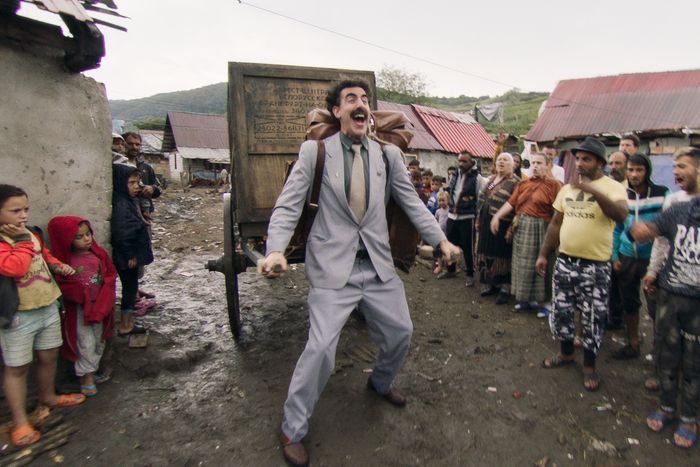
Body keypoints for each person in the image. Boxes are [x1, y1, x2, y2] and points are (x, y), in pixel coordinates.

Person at [261, 80, 460, 467]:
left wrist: (441, 241)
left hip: (376, 264)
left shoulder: (388, 155)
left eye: (365, 100)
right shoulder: (316, 152)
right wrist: (275, 250)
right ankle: (292, 428)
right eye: (351, 99)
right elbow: (288, 205)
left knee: (401, 332)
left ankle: (380, 382)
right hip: (332, 268)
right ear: (337, 111)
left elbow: (412, 203)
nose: (361, 104)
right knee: (321, 349)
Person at [536, 137, 628, 392]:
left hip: (596, 266)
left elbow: (621, 215)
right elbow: (556, 223)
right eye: (577, 159)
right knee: (562, 312)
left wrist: (593, 191)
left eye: (586, 159)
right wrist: (543, 254)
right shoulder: (567, 189)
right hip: (565, 261)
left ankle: (589, 365)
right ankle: (566, 353)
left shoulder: (613, 187)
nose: (579, 163)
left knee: (593, 317)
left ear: (600, 163)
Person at [0, 185, 86, 447]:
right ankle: (20, 421)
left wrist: (57, 265)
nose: (23, 215)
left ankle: (48, 397)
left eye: (25, 209)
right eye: (15, 211)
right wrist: (22, 242)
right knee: (17, 368)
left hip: (47, 305)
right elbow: (15, 268)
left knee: (49, 356)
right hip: (19, 315)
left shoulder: (31, 233)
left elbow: (43, 255)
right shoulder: (7, 241)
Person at [630, 192, 700, 448]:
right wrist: (640, 230)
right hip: (671, 297)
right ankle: (667, 407)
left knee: (694, 362)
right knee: (667, 356)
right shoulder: (680, 210)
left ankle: (689, 418)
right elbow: (654, 231)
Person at [642, 147, 700, 391]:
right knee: (665, 335)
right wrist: (653, 271)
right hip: (671, 285)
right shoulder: (674, 201)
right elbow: (661, 241)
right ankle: (663, 379)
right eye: (674, 166)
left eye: (681, 166)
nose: (675, 171)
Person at [47, 216, 117, 397]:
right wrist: (80, 295)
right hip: (79, 310)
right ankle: (87, 377)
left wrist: (105, 298)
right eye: (79, 237)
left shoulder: (98, 255)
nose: (86, 239)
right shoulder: (64, 263)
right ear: (67, 240)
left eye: (88, 234)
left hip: (99, 306)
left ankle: (91, 370)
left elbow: (109, 276)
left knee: (99, 339)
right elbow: (64, 285)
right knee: (85, 342)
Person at [611, 154, 670, 359]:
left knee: (656, 306)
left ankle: (659, 350)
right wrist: (615, 255)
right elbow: (617, 228)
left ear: (647, 171)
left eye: (639, 170)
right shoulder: (622, 195)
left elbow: (669, 225)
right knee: (629, 302)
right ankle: (633, 343)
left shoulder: (662, 194)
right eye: (631, 170)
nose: (634, 174)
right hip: (627, 257)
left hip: (653, 260)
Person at [490, 153, 560, 313]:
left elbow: (558, 212)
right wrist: (497, 216)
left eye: (539, 163)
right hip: (522, 228)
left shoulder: (554, 185)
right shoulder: (523, 184)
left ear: (548, 165)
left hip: (542, 229)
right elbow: (511, 203)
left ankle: (545, 303)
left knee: (541, 265)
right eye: (533, 163)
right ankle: (525, 300)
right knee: (522, 265)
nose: (535, 166)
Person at [111, 164, 153, 337]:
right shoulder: (122, 205)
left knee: (131, 287)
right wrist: (130, 255)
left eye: (138, 182)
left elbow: (155, 192)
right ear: (121, 183)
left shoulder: (127, 200)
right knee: (129, 288)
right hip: (127, 256)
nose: (136, 186)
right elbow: (122, 233)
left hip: (128, 254)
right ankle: (126, 325)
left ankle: (127, 322)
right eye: (132, 183)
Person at [477, 152, 520, 305]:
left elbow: (517, 205)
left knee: (502, 255)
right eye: (499, 160)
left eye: (505, 160)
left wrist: (511, 227)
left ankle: (505, 288)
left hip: (503, 223)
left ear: (512, 165)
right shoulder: (492, 180)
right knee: (488, 251)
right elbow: (484, 197)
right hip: (486, 220)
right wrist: (479, 219)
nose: (501, 162)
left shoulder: (516, 182)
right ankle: (492, 284)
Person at [439, 151, 485, 286]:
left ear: (471, 162)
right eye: (459, 161)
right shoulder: (454, 174)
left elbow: (481, 197)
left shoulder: (477, 178)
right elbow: (451, 192)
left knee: (468, 247)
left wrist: (475, 212)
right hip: (452, 215)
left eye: (464, 161)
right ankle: (451, 269)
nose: (461, 164)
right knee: (450, 243)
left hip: (467, 217)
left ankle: (470, 274)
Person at [122, 132, 162, 220]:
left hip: (144, 215)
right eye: (130, 144)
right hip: (123, 214)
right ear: (123, 144)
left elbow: (159, 189)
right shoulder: (117, 166)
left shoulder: (146, 168)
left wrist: (152, 189)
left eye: (137, 144)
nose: (134, 147)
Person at [433, 191, 450, 274]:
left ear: (448, 200)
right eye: (439, 200)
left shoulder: (450, 210)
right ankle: (439, 266)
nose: (441, 202)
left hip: (448, 235)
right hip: (440, 235)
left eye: (443, 200)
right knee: (439, 251)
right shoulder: (438, 211)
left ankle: (449, 266)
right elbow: (435, 221)